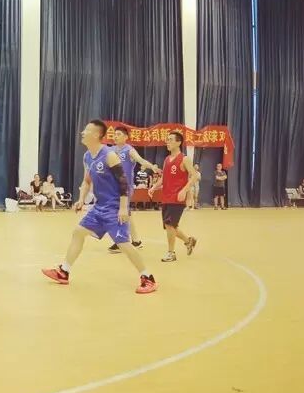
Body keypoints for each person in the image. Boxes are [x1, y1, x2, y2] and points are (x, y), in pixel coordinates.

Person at [41, 120, 157, 294]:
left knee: (123, 243)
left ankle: (148, 278)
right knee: (78, 232)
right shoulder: (87, 156)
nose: (82, 133)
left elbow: (123, 182)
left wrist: (123, 208)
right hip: (99, 207)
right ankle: (64, 271)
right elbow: (87, 181)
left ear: (96, 135)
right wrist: (81, 199)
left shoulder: (109, 155)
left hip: (114, 207)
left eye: (86, 130)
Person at [107, 127, 160, 252]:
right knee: (124, 213)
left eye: (118, 134)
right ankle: (135, 241)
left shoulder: (129, 150)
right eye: (114, 134)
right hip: (113, 186)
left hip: (125, 187)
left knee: (122, 212)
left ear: (126, 137)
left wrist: (152, 167)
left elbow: (141, 160)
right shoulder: (111, 150)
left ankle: (122, 241)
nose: (115, 136)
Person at [150, 132, 199, 263]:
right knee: (170, 226)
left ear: (178, 142)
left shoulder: (184, 159)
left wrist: (184, 190)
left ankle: (171, 253)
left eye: (171, 140)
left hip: (177, 198)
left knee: (170, 225)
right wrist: (154, 187)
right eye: (167, 140)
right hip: (166, 197)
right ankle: (189, 241)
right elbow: (163, 178)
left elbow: (195, 176)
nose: (168, 142)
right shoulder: (167, 159)